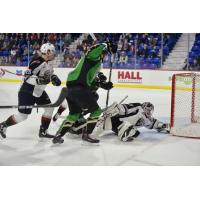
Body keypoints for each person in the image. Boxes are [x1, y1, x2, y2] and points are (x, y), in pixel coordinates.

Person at [52, 41, 117, 144]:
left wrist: (102, 84)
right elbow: (92, 50)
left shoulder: (94, 64)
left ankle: (58, 135)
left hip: (71, 89)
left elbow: (90, 82)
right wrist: (106, 45)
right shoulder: (91, 57)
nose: (105, 56)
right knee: (96, 112)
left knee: (74, 115)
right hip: (79, 88)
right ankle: (87, 135)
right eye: (104, 54)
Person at [0, 43, 61, 140]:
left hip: (39, 91)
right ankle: (3, 125)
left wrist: (54, 78)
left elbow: (49, 74)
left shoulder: (49, 63)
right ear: (48, 52)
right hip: (27, 90)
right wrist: (39, 80)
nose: (54, 54)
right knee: (23, 116)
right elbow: (27, 76)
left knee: (49, 108)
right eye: (53, 52)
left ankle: (43, 132)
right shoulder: (37, 61)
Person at [94, 102, 169, 142]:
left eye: (150, 110)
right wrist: (112, 110)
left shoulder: (147, 118)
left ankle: (123, 133)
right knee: (130, 130)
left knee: (136, 133)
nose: (149, 112)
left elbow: (153, 123)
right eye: (148, 109)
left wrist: (163, 125)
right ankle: (93, 125)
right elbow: (122, 108)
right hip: (115, 121)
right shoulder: (137, 107)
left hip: (122, 126)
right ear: (144, 107)